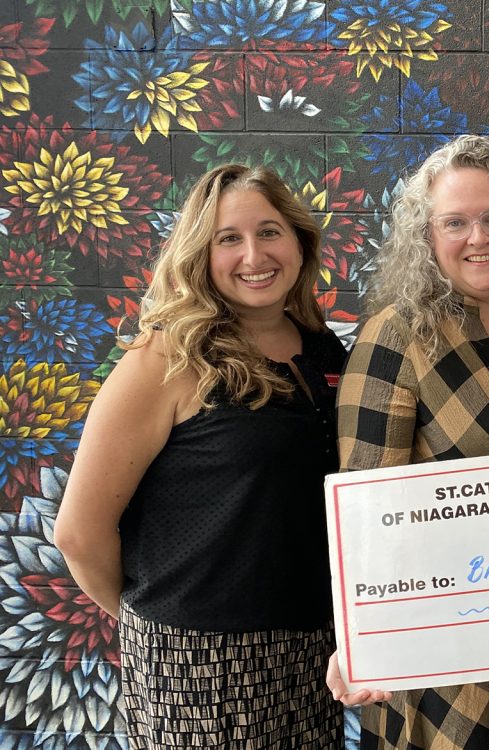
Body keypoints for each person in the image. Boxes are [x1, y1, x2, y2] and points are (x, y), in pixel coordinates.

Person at [54, 164, 348, 748]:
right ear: (199, 254)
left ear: (298, 242)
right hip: (196, 663)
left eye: (269, 232)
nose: (253, 255)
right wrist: (161, 624)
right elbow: (78, 535)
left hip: (313, 651)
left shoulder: (321, 347)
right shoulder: (164, 357)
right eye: (227, 239)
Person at [325, 135, 489, 749]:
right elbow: (366, 514)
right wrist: (359, 636)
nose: (479, 238)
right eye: (456, 222)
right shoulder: (396, 341)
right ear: (427, 238)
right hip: (446, 676)